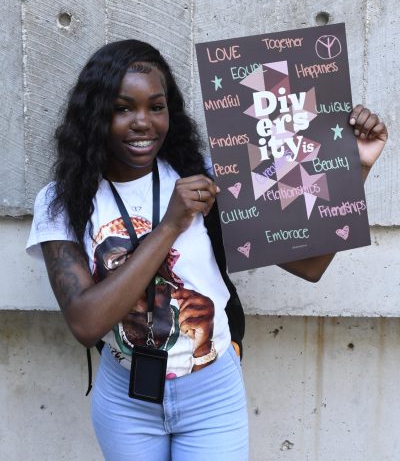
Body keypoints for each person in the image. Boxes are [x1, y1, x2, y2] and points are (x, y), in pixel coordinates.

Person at [26, 39, 388, 461]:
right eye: (123, 108)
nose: (143, 122)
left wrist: (356, 166)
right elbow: (86, 324)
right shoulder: (63, 200)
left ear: (170, 112)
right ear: (95, 114)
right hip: (126, 398)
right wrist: (172, 223)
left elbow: (309, 264)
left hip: (211, 391)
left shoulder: (208, 178)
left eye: (156, 107)